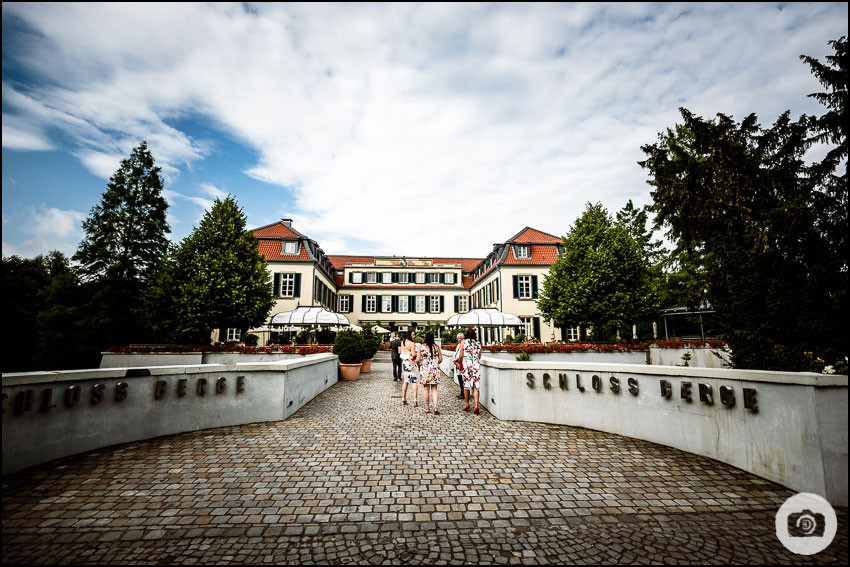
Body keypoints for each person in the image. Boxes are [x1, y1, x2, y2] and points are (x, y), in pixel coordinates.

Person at [417, 332, 443, 414]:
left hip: (425, 369)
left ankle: (427, 408)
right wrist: (434, 363)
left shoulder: (421, 347)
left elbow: (417, 359)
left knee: (426, 388)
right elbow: (440, 359)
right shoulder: (437, 347)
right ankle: (435, 407)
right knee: (434, 389)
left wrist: (419, 365)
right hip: (434, 369)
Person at [458, 327, 482, 414]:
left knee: (466, 385)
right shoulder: (478, 343)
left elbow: (461, 355)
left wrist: (459, 363)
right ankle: (476, 405)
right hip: (476, 365)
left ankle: (467, 404)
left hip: (467, 365)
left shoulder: (463, 342)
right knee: (476, 385)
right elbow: (479, 356)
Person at [400, 330, 419, 406]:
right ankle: (415, 399)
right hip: (411, 363)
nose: (414, 336)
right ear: (410, 335)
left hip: (404, 363)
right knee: (414, 381)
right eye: (413, 334)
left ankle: (403, 398)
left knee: (406, 381)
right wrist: (417, 353)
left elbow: (403, 352)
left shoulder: (403, 342)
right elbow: (414, 354)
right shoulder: (412, 343)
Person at [453, 333, 465, 399]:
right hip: (457, 363)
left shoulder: (463, 345)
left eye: (460, 338)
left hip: (460, 363)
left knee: (461, 378)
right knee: (459, 378)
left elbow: (461, 355)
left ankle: (463, 393)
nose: (459, 339)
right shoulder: (458, 345)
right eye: (458, 338)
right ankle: (462, 392)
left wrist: (458, 361)